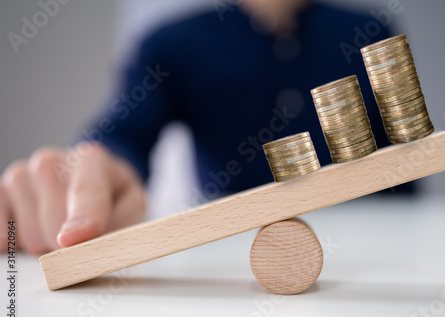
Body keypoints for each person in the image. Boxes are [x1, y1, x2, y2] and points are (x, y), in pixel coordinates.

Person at [0, 0, 409, 254]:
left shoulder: (370, 30)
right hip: (228, 248)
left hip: (384, 244)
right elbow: (123, 132)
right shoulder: (170, 43)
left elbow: (402, 165)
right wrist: (96, 167)